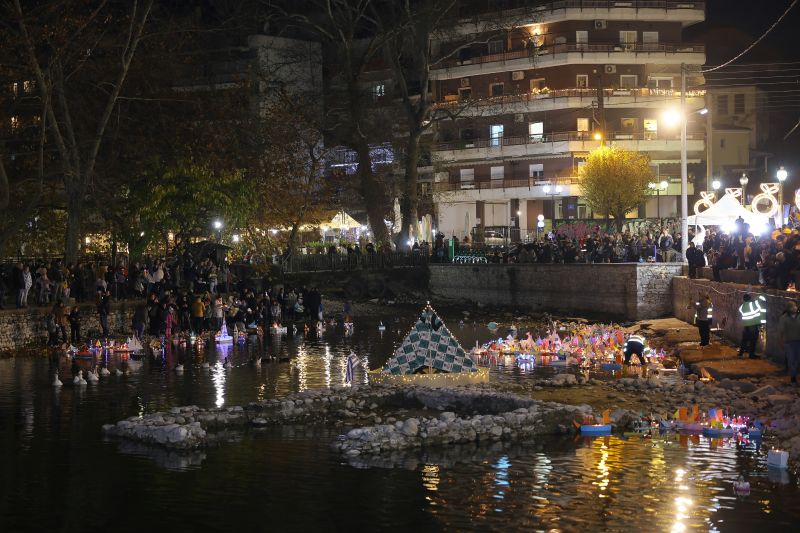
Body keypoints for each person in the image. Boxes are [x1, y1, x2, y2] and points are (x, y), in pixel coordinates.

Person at [738, 293, 767, 359]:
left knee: (744, 340)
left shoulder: (742, 306)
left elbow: (741, 311)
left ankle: (741, 353)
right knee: (753, 341)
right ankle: (751, 355)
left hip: (746, 326)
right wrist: (760, 295)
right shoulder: (753, 304)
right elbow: (760, 300)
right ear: (750, 299)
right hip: (753, 326)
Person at [779, 300, 800, 384]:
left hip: (799, 341)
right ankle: (793, 377)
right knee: (791, 359)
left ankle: (794, 373)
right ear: (788, 309)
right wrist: (781, 341)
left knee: (797, 359)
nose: (794, 308)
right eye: (792, 307)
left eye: (795, 306)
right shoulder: (784, 318)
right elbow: (781, 331)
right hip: (789, 342)